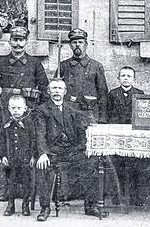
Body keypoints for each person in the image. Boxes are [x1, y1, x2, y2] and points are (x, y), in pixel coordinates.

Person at [0, 26, 49, 201]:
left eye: (21, 40)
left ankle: (27, 191)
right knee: (6, 150)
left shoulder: (35, 63)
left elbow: (44, 90)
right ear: (10, 41)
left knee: (27, 151)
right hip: (6, 113)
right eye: (15, 39)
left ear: (26, 42)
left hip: (28, 115)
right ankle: (7, 191)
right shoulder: (1, 63)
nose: (18, 43)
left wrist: (40, 115)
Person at [34, 78, 104, 221]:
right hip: (53, 151)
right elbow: (40, 133)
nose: (57, 91)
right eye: (53, 88)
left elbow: (81, 132)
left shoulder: (72, 108)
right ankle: (45, 207)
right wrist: (42, 153)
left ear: (65, 92)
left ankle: (90, 205)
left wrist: (84, 149)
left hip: (71, 150)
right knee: (43, 166)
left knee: (92, 162)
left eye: (60, 88)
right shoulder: (42, 110)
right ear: (48, 91)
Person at [107, 66, 150, 205]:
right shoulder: (112, 93)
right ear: (118, 78)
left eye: (129, 76)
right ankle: (118, 197)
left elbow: (143, 114)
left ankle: (135, 198)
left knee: (135, 165)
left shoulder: (139, 93)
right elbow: (108, 113)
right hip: (118, 133)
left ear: (134, 79)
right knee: (118, 166)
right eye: (123, 76)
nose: (126, 78)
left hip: (134, 133)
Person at [56, 28, 108, 123]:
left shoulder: (96, 66)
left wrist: (102, 119)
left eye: (81, 42)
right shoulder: (63, 66)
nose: (77, 45)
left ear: (86, 45)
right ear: (70, 46)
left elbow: (103, 94)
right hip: (68, 113)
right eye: (74, 42)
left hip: (90, 114)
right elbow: (56, 90)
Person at [0, 95, 36, 216]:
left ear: (25, 108)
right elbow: (1, 141)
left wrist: (33, 156)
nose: (16, 111)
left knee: (26, 182)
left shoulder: (29, 124)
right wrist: (2, 155)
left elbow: (34, 141)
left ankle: (25, 204)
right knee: (11, 182)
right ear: (9, 108)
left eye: (19, 108)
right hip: (11, 158)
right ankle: (11, 204)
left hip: (25, 158)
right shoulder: (6, 124)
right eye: (13, 108)